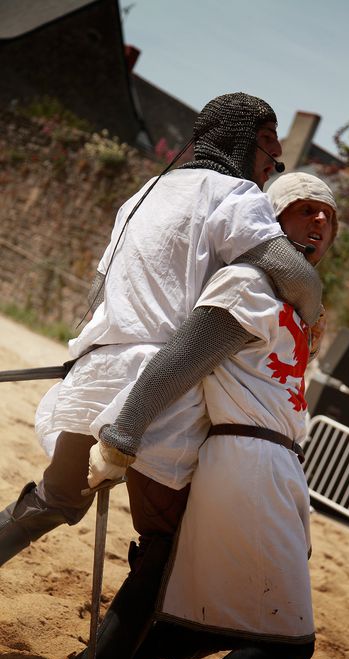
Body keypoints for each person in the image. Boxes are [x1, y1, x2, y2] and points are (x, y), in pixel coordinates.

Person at [54, 172, 338, 659]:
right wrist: (120, 439)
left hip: (272, 467)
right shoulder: (250, 283)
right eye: (303, 210)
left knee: (191, 612)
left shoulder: (296, 302)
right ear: (270, 222)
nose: (317, 223)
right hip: (245, 464)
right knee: (288, 643)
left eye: (327, 214)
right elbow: (178, 362)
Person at [0, 93, 323, 569]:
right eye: (268, 149)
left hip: (97, 374)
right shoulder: (236, 195)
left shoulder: (145, 191)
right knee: (181, 537)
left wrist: (85, 355)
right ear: (241, 140)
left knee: (59, 498)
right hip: (163, 396)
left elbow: (100, 292)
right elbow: (288, 272)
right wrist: (312, 314)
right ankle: (123, 643)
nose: (269, 166)